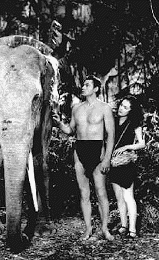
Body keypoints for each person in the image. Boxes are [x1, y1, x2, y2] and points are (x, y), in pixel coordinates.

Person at [53, 75, 115, 241]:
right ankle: (88, 229)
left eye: (87, 85)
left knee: (101, 193)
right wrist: (60, 123)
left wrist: (107, 158)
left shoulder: (105, 108)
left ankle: (104, 229)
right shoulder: (76, 108)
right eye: (83, 84)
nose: (83, 87)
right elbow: (70, 130)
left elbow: (111, 135)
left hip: (98, 151)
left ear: (95, 89)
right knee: (84, 193)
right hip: (80, 151)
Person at [110, 95, 145, 239]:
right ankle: (124, 226)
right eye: (121, 105)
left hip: (125, 163)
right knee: (119, 197)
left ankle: (132, 230)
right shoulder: (113, 120)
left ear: (131, 110)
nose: (121, 109)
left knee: (128, 197)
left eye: (125, 107)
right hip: (113, 162)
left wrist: (126, 146)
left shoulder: (134, 122)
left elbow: (142, 144)